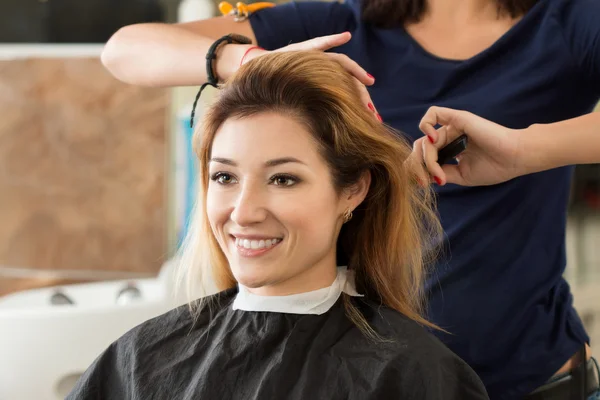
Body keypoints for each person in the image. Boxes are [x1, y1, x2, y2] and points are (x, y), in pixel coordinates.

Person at [100, 0, 600, 397]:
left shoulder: (568, 22)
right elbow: (123, 49)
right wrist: (248, 58)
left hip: (529, 380)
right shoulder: (341, 24)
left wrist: (523, 149)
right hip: (359, 379)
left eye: (283, 180)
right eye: (226, 177)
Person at [66, 51, 490, 400]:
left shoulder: (410, 375)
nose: (244, 212)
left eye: (283, 179)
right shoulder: (140, 359)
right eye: (225, 177)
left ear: (353, 190)